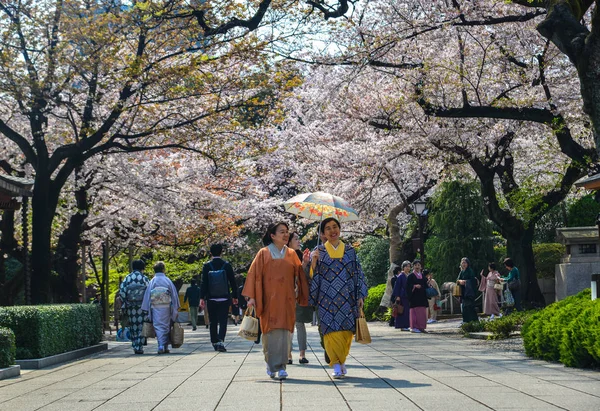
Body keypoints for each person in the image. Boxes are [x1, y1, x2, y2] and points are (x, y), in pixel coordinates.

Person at [243, 222, 309, 380]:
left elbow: (299, 275)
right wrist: (252, 297)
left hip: (286, 299)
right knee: (270, 333)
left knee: (285, 333)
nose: (286, 235)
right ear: (272, 235)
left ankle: (282, 366)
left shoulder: (292, 254)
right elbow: (253, 275)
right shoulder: (263, 253)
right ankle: (271, 363)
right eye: (282, 232)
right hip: (268, 299)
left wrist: (305, 263)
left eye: (287, 232)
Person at [309, 217, 367, 379]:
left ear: (340, 229)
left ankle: (342, 361)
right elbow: (313, 276)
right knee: (330, 331)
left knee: (346, 332)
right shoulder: (319, 251)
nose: (332, 231)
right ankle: (335, 363)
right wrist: (313, 262)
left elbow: (358, 274)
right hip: (326, 298)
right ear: (323, 233)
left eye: (335, 227)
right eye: (328, 228)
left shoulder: (350, 251)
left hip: (347, 298)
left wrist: (360, 295)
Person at [200, 244, 238, 352]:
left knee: (213, 321)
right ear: (222, 252)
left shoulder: (207, 266)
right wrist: (235, 296)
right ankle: (221, 340)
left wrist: (202, 298)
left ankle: (214, 341)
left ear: (211, 253)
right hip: (224, 298)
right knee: (222, 320)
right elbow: (233, 282)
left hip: (211, 298)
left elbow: (204, 283)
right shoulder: (226, 265)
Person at [141, 261, 180, 354]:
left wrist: (146, 308)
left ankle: (161, 345)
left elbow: (147, 296)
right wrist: (175, 306)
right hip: (166, 306)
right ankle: (163, 346)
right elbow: (174, 294)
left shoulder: (152, 281)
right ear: (163, 270)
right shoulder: (167, 280)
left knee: (158, 326)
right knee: (166, 325)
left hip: (155, 307)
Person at [288, 231, 312, 364]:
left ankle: (302, 354)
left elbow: (306, 276)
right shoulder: (284, 256)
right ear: (289, 242)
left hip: (300, 295)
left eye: (298, 239)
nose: (298, 241)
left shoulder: (303, 256)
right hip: (287, 295)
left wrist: (308, 263)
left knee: (299, 323)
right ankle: (288, 353)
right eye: (296, 239)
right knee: (289, 325)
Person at [119, 259, 150, 354]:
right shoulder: (144, 278)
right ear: (142, 268)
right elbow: (149, 293)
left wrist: (126, 302)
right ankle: (139, 346)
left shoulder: (127, 278)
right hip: (142, 307)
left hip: (131, 307)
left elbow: (122, 292)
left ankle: (135, 345)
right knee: (141, 326)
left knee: (133, 327)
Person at [406, 259, 428, 333]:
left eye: (418, 265)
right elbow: (407, 286)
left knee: (422, 313)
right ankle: (414, 327)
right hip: (414, 297)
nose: (417, 267)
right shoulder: (410, 276)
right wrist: (414, 286)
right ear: (413, 267)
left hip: (422, 297)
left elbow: (426, 285)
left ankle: (422, 327)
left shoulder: (423, 276)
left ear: (421, 267)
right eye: (415, 265)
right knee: (414, 312)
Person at [457, 257, 479, 323]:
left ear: (467, 264)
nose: (463, 264)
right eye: (462, 263)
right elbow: (457, 280)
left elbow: (473, 281)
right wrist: (460, 281)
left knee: (470, 306)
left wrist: (465, 282)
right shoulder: (462, 272)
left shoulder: (470, 271)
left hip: (469, 292)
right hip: (464, 292)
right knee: (464, 307)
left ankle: (473, 321)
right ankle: (465, 321)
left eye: (465, 263)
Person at [391, 262, 410, 331]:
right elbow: (397, 286)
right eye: (406, 266)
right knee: (401, 310)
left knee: (406, 311)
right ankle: (402, 326)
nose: (408, 268)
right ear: (403, 267)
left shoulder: (408, 275)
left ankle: (406, 325)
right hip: (402, 295)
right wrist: (397, 296)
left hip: (407, 295)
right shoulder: (401, 276)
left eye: (409, 267)